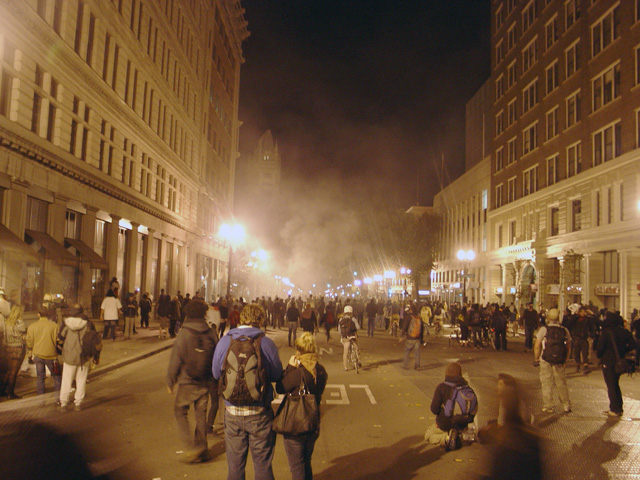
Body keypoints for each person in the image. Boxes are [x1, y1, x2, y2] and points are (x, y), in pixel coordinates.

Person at [212, 303, 283, 480]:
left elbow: (215, 373)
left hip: (232, 411)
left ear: (242, 319)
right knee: (262, 465)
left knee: (235, 467)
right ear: (259, 320)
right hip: (259, 412)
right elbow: (276, 375)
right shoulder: (265, 343)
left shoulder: (225, 341)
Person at [167, 298, 218, 463]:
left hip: (188, 380)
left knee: (180, 411)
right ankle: (202, 449)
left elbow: (176, 358)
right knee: (200, 415)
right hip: (205, 380)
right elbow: (217, 356)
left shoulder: (185, 332)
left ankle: (190, 448)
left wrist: (170, 380)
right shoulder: (210, 332)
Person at [276, 333, 328, 480]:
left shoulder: (298, 373)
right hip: (312, 424)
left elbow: (280, 387)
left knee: (297, 467)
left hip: (295, 426)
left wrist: (290, 367)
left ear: (298, 351)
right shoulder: (321, 371)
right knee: (306, 462)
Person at [478, 373, 542, 480]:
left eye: (501, 384)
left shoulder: (507, 445)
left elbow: (500, 424)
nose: (498, 387)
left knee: (484, 431)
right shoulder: (532, 440)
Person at [57, 306, 101, 411]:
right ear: (82, 311)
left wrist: (61, 351)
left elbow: (59, 339)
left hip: (69, 356)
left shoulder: (66, 323)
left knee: (66, 380)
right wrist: (96, 357)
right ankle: (78, 404)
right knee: (81, 381)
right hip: (84, 356)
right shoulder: (89, 324)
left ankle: (64, 403)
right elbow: (96, 342)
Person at [424, 362, 477, 447]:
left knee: (429, 434)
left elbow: (434, 409)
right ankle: (459, 436)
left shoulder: (442, 387)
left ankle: (446, 438)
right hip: (462, 423)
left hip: (445, 423)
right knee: (458, 429)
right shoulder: (467, 388)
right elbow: (473, 408)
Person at [596, 311, 636, 417]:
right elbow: (633, 344)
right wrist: (623, 350)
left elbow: (600, 348)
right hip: (620, 361)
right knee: (615, 384)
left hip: (608, 362)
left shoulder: (606, 332)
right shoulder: (624, 331)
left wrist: (599, 355)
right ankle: (619, 407)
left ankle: (614, 409)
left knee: (611, 385)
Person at [533, 308, 571, 414]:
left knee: (546, 383)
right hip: (559, 359)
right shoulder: (564, 330)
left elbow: (537, 345)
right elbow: (568, 345)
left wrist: (536, 357)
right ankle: (566, 405)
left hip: (546, 359)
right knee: (561, 383)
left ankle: (548, 406)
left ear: (548, 318)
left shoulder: (544, 330)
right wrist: (566, 358)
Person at [26, 309, 62, 397]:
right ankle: (57, 396)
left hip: (38, 355)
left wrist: (30, 353)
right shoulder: (54, 326)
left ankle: (40, 396)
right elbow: (59, 340)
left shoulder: (32, 326)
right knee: (56, 377)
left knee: (40, 377)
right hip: (52, 356)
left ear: (38, 315)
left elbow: (29, 341)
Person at [1, 305, 26, 399]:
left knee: (8, 370)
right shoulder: (20, 322)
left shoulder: (6, 323)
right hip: (17, 348)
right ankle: (10, 393)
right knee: (14, 371)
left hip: (7, 348)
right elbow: (23, 333)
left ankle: (3, 390)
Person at [339, 305, 360, 371]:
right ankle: (359, 360)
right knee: (357, 348)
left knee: (345, 351)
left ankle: (345, 366)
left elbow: (339, 330)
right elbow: (358, 327)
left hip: (345, 337)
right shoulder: (353, 319)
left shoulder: (341, 319)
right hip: (352, 336)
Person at [401, 304, 421, 370]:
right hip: (417, 338)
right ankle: (417, 366)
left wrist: (402, 334)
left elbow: (405, 326)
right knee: (417, 352)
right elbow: (422, 329)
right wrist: (422, 339)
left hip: (410, 337)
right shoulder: (419, 318)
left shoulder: (408, 317)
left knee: (407, 351)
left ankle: (406, 365)